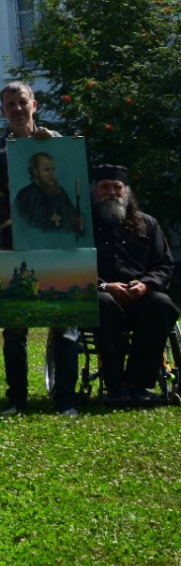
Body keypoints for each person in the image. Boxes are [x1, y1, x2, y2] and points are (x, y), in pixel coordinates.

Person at [0, 81, 78, 417]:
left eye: (22, 103)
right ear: (2, 111)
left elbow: (73, 186)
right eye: (10, 105)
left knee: (65, 322)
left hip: (60, 250)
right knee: (15, 328)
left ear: (33, 104)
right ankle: (16, 400)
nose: (17, 110)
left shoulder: (58, 146)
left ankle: (65, 399)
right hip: (13, 248)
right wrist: (20, 233)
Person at [91, 166, 177, 402]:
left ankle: (138, 384)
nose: (111, 192)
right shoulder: (82, 226)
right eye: (105, 187)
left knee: (162, 303)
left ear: (126, 191)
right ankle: (115, 386)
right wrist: (104, 285)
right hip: (101, 295)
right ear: (95, 191)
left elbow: (164, 265)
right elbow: (70, 266)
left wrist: (146, 285)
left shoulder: (148, 224)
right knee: (103, 302)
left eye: (117, 187)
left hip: (140, 298)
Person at [14, 152, 85, 246]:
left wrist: (78, 226)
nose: (51, 174)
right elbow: (23, 228)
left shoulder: (60, 192)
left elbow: (72, 220)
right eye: (47, 170)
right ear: (35, 171)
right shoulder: (25, 196)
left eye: (53, 169)